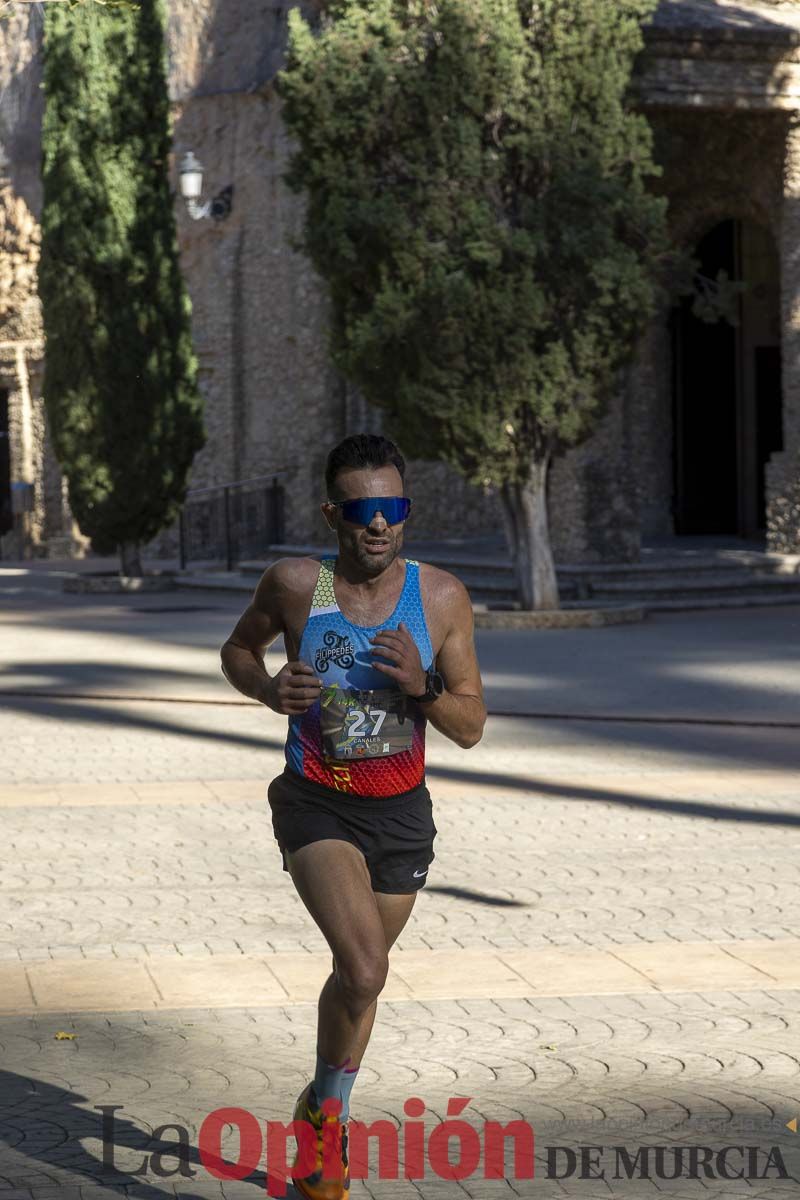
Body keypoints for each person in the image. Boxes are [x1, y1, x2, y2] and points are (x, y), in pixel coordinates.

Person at [220, 433, 486, 1200]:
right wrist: (269, 691)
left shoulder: (438, 598)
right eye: (364, 509)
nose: (380, 525)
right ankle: (330, 1137)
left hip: (401, 815)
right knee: (368, 963)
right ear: (334, 513)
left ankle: (317, 1106)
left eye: (394, 508)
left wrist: (423, 688)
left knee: (354, 982)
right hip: (317, 802)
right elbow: (239, 650)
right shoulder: (298, 584)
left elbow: (470, 725)